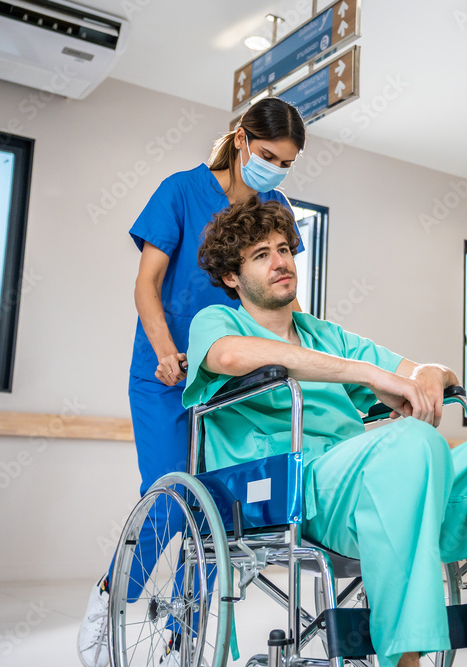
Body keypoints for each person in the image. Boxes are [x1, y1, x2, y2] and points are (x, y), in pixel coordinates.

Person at [183, 198, 467, 667]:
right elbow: (231, 358)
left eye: (284, 249)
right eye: (261, 255)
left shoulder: (325, 335)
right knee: (412, 442)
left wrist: (427, 379)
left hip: (395, 478)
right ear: (232, 277)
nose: (280, 262)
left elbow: (431, 368)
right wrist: (368, 375)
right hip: (302, 489)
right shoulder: (217, 323)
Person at [78, 97, 307, 667]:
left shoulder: (275, 207)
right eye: (269, 155)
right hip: (167, 374)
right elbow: (146, 284)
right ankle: (109, 606)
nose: (275, 171)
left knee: (218, 517)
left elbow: (283, 296)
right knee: (170, 502)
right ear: (240, 140)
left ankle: (190, 637)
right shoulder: (180, 191)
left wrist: (301, 356)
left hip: (229, 381)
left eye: (286, 163)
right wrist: (162, 350)